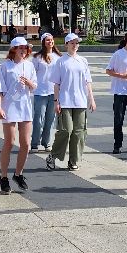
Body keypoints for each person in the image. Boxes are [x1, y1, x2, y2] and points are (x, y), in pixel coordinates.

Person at [46, 32, 95, 171]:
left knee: (79, 132)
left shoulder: (83, 61)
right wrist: (56, 101)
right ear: (67, 44)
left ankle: (73, 160)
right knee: (66, 130)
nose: (75, 45)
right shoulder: (61, 62)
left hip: (80, 101)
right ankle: (53, 155)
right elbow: (56, 84)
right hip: (65, 101)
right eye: (72, 43)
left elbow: (88, 82)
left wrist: (91, 99)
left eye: (77, 43)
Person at [0, 35, 37, 192]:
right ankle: (3, 176)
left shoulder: (30, 66)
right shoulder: (6, 66)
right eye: (20, 48)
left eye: (25, 48)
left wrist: (29, 82)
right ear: (13, 49)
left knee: (26, 143)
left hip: (25, 106)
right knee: (9, 142)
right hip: (9, 106)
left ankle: (18, 174)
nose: (23, 50)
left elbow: (35, 87)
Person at [31, 33, 60, 153]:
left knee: (50, 119)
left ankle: (46, 142)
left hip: (53, 92)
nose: (50, 42)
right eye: (48, 40)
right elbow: (32, 73)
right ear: (43, 42)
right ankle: (35, 143)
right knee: (38, 119)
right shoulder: (37, 57)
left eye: (52, 40)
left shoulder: (58, 57)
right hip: (40, 92)